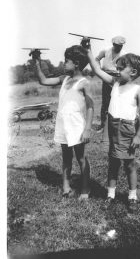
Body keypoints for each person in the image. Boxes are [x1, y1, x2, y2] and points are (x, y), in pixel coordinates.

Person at [88, 48, 140, 212]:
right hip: (113, 126)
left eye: (121, 68)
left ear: (133, 72)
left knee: (129, 164)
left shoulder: (138, 90)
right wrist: (88, 50)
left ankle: (132, 197)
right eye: (117, 68)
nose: (117, 71)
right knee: (113, 163)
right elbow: (97, 69)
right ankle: (110, 195)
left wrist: (138, 135)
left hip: (127, 129)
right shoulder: (114, 83)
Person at [34, 45, 94, 200]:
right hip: (63, 124)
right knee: (66, 157)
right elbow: (43, 80)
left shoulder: (84, 82)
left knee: (81, 158)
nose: (64, 63)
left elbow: (90, 107)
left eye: (66, 61)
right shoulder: (64, 78)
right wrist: (37, 62)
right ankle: (66, 187)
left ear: (76, 64)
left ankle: (85, 189)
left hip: (76, 125)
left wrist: (87, 128)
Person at [95, 36, 126, 133]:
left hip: (117, 77)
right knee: (105, 102)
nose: (118, 48)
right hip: (106, 76)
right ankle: (103, 125)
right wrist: (99, 69)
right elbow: (96, 59)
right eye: (117, 45)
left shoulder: (124, 54)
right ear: (113, 44)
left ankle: (117, 125)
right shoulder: (106, 51)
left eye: (120, 46)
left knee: (117, 100)